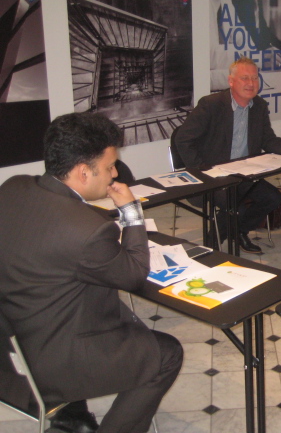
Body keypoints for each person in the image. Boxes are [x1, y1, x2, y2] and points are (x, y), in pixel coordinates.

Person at [0, 113, 183, 433]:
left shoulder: (13, 187)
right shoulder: (88, 229)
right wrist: (132, 213)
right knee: (167, 353)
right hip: (52, 363)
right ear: (83, 172)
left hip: (11, 346)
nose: (115, 173)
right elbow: (134, 275)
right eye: (110, 166)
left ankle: (73, 418)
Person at [175, 56, 281, 254]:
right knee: (236, 206)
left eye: (254, 78)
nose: (251, 83)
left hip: (245, 174)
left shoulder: (259, 106)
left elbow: (267, 139)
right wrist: (202, 170)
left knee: (273, 198)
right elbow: (183, 139)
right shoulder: (211, 105)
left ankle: (239, 231)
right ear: (231, 81)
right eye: (245, 78)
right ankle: (212, 244)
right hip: (214, 175)